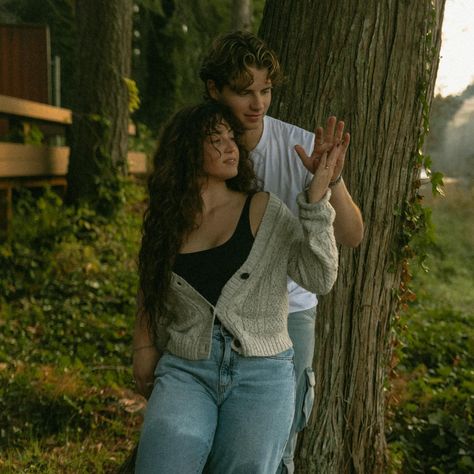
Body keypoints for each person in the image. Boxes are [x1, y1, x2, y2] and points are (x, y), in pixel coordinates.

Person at [132, 101, 341, 473]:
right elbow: (150, 287)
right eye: (216, 139)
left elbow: (319, 277)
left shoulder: (262, 208)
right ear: (185, 148)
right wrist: (143, 345)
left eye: (232, 137)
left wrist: (316, 201)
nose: (231, 146)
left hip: (261, 375)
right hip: (186, 368)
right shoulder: (167, 221)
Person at [199, 31, 364, 473]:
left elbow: (352, 235)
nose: (258, 104)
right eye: (243, 92)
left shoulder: (297, 146)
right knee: (218, 445)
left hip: (290, 314)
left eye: (266, 91)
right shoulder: (198, 149)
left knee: (278, 447)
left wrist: (328, 180)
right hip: (217, 313)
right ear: (215, 90)